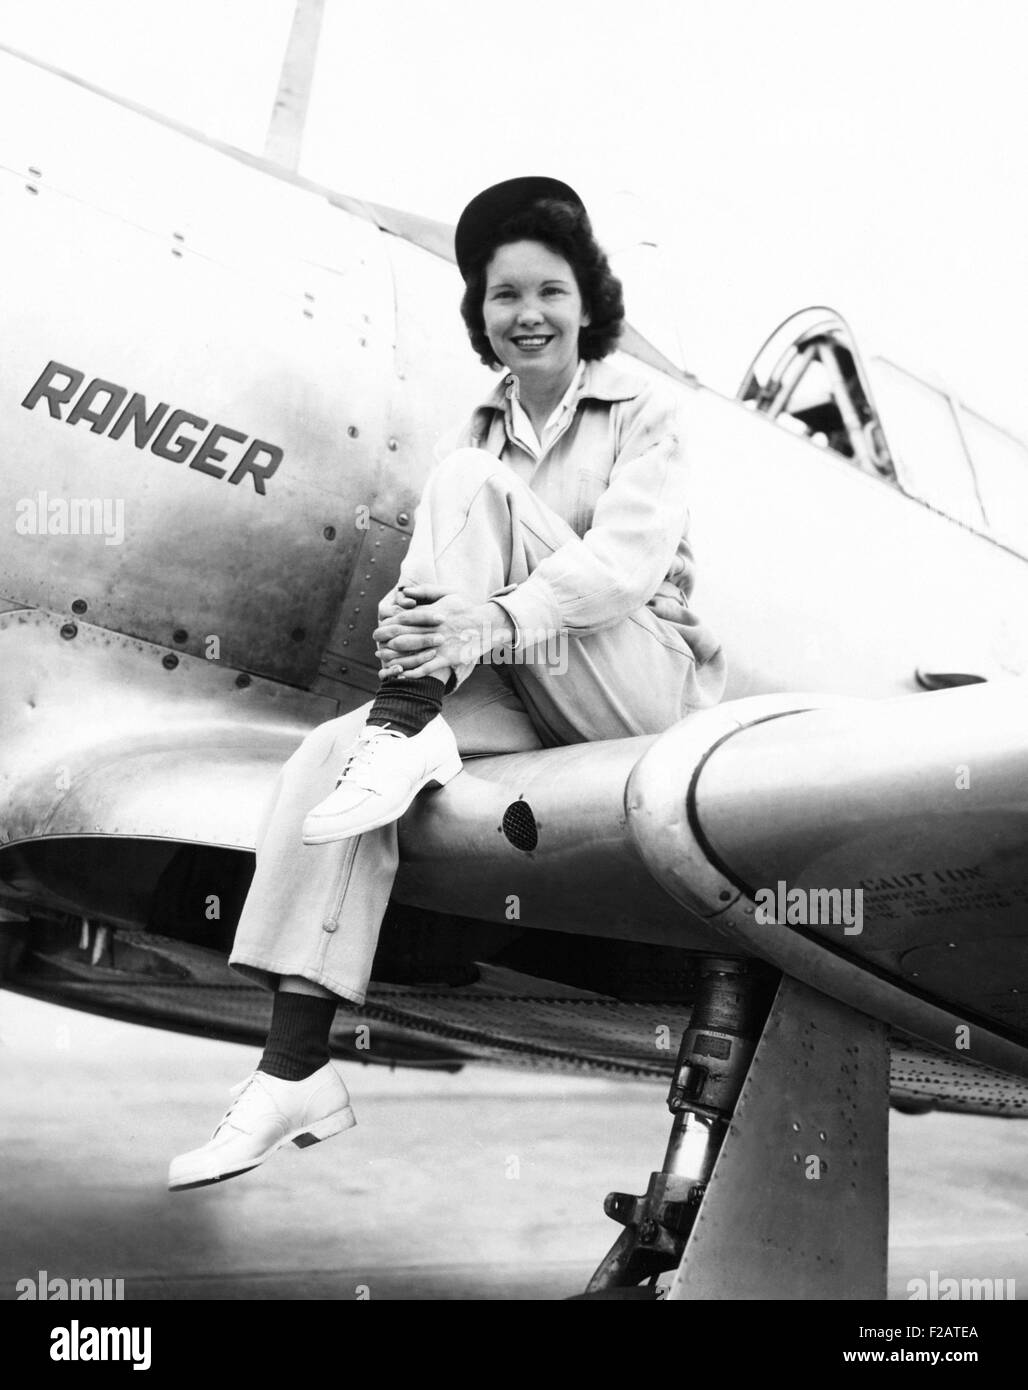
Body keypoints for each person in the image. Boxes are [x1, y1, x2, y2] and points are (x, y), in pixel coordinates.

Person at [168, 176, 726, 1192]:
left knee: (466, 493)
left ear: (586, 300)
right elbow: (446, 581)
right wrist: (413, 622)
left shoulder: (648, 411)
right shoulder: (481, 425)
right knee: (330, 756)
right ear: (480, 313)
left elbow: (620, 570)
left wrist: (482, 620)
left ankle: (408, 718)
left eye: (548, 290)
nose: (527, 314)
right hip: (516, 682)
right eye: (503, 294)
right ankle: (293, 1064)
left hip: (630, 686)